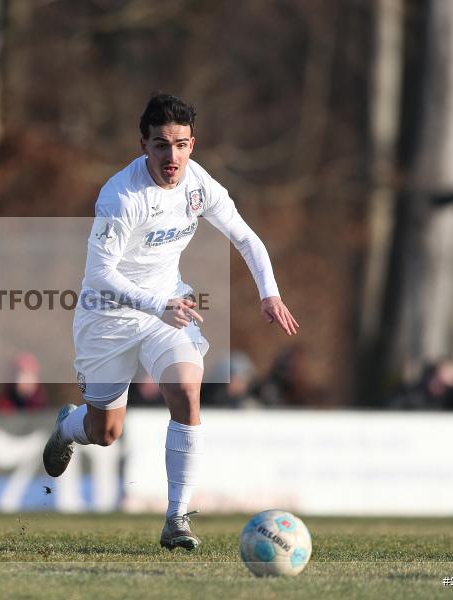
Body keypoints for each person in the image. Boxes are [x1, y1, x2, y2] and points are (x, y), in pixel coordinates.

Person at [42, 93, 298, 550]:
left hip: (167, 311)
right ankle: (68, 427)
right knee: (106, 431)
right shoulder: (120, 195)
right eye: (161, 145)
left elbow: (244, 236)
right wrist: (153, 303)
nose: (171, 156)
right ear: (143, 145)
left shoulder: (199, 185)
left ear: (192, 145)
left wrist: (269, 293)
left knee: (185, 390)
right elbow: (99, 274)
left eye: (180, 145)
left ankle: (177, 518)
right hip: (109, 317)